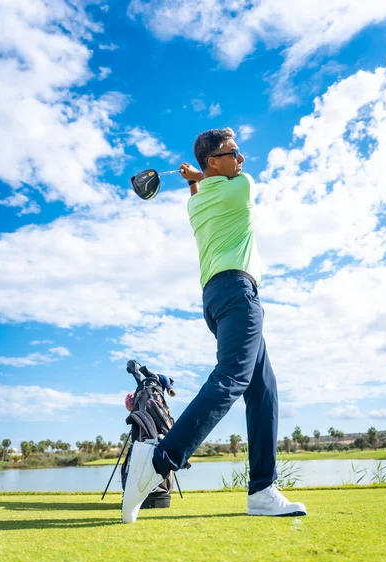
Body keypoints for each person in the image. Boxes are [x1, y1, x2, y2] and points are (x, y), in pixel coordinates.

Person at [122, 128, 306, 523]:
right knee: (232, 378)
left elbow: (198, 191)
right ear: (212, 163)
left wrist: (193, 181)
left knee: (264, 391)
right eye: (233, 152)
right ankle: (160, 458)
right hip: (239, 292)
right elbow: (223, 181)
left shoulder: (197, 204)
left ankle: (261, 490)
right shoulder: (239, 188)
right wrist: (196, 177)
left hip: (215, 298)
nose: (241, 160)